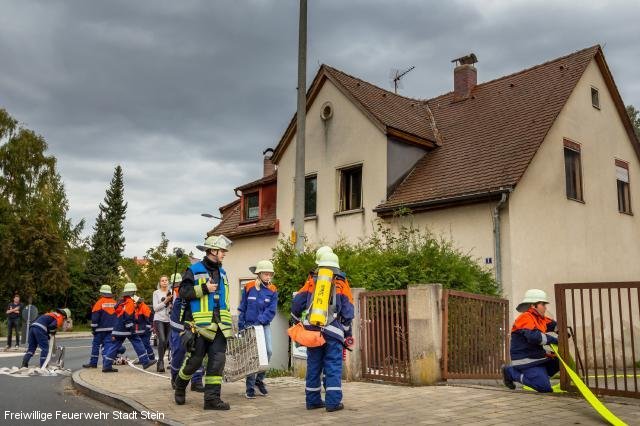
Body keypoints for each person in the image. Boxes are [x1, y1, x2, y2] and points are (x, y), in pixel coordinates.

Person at [174, 235, 233, 410]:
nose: (224, 253)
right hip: (198, 325)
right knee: (195, 362)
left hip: (220, 325)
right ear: (212, 250)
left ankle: (211, 400)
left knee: (217, 362)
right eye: (222, 251)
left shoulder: (223, 273)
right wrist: (204, 288)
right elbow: (183, 292)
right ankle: (180, 386)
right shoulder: (194, 270)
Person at [291, 248, 354, 412]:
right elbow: (348, 313)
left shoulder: (312, 281)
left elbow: (296, 304)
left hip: (313, 333)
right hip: (334, 333)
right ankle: (333, 403)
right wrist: (347, 333)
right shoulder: (341, 283)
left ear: (319, 265)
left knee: (313, 366)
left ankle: (312, 401)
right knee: (333, 366)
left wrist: (297, 321)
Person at [502, 289, 560, 393]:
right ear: (533, 305)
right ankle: (510, 372)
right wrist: (555, 340)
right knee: (545, 388)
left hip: (536, 357)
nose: (545, 307)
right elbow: (534, 337)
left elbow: (552, 325)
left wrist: (562, 331)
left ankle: (539, 377)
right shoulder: (525, 318)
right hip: (526, 359)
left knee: (559, 361)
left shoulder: (539, 318)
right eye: (543, 304)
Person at [238, 260, 278, 399]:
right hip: (249, 325)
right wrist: (241, 324)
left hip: (263, 325)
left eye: (270, 274)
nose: (268, 276)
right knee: (252, 356)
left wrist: (260, 321)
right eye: (266, 274)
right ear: (259, 274)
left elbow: (271, 310)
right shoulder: (249, 287)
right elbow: (243, 306)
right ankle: (249, 387)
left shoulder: (273, 290)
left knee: (268, 351)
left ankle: (259, 381)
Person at [102, 282, 157, 372]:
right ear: (132, 292)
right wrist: (131, 328)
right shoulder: (130, 302)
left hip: (118, 328)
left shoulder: (123, 302)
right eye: (135, 292)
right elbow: (128, 317)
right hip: (126, 329)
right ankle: (145, 362)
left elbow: (121, 314)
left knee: (114, 346)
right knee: (138, 342)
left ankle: (106, 365)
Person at [168, 272, 204, 392]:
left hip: (196, 325)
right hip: (179, 326)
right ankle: (175, 377)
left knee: (198, 353)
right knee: (179, 353)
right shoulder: (182, 290)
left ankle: (197, 381)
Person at [82, 285, 116, 368]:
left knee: (96, 345)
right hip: (111, 330)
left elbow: (95, 318)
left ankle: (93, 363)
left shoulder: (99, 303)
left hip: (99, 330)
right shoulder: (115, 303)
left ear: (101, 293)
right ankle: (106, 364)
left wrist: (93, 329)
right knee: (107, 346)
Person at [153, 275, 172, 372]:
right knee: (162, 340)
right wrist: (165, 302)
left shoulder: (172, 292)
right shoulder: (156, 293)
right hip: (159, 319)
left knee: (168, 342)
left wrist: (171, 304)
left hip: (169, 320)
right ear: (160, 283)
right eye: (162, 280)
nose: (164, 282)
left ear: (168, 282)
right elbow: (155, 308)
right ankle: (160, 362)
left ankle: (160, 360)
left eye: (166, 280)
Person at [133, 296, 156, 364]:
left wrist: (147, 329)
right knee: (141, 345)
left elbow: (148, 320)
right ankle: (143, 359)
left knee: (146, 344)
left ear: (137, 303)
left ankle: (151, 358)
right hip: (141, 330)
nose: (133, 305)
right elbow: (138, 320)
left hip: (146, 330)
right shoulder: (137, 308)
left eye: (133, 303)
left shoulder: (144, 308)